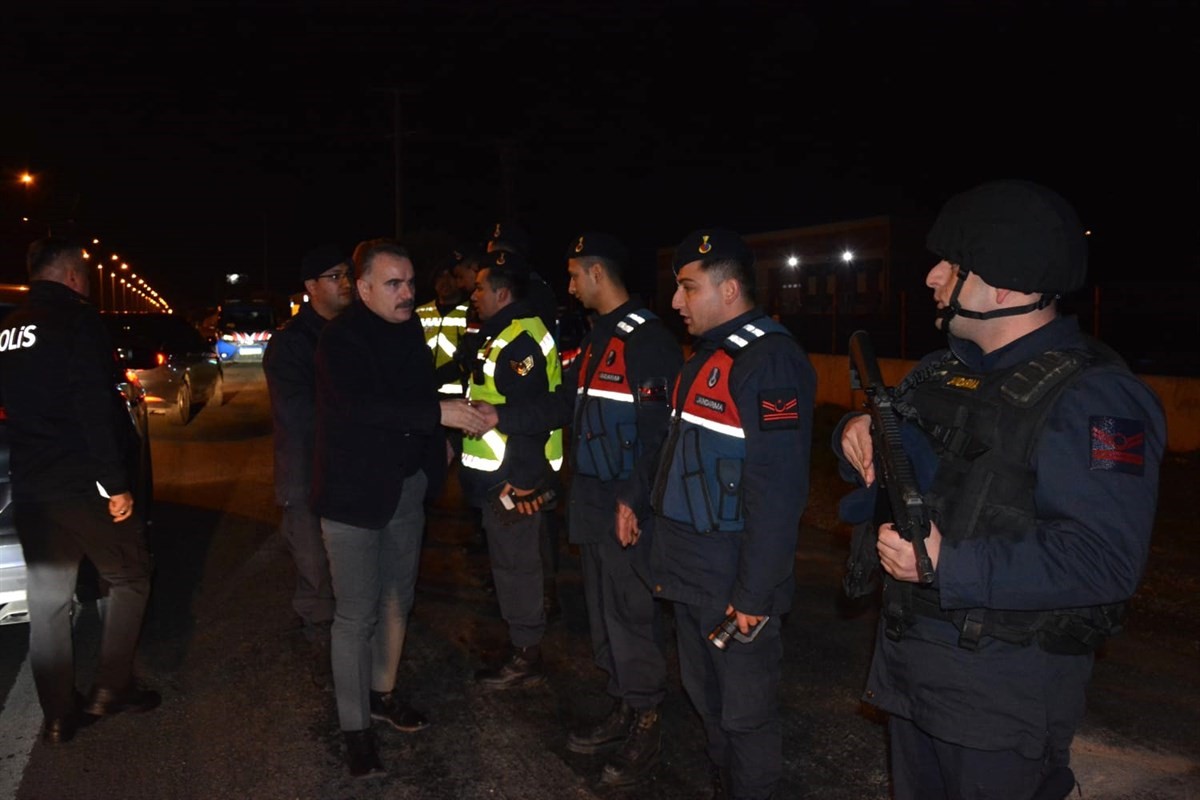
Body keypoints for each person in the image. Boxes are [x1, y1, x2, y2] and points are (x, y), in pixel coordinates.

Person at [834, 179, 1166, 800]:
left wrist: (948, 565)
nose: (931, 277)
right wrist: (852, 430)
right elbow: (894, 443)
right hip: (912, 670)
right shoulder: (945, 368)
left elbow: (1105, 558)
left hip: (1001, 695)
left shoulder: (1096, 397)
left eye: (952, 266)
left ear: (1008, 285)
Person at [476, 232, 682, 787]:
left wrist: (632, 500)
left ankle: (647, 720)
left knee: (631, 613)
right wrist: (499, 417)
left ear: (596, 273)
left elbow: (659, 434)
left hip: (623, 502)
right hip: (591, 497)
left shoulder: (648, 340)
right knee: (603, 611)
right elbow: (564, 401)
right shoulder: (598, 338)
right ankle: (623, 702)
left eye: (573, 275)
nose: (567, 286)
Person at [619, 229, 815, 800]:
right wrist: (637, 502)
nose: (676, 302)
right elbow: (674, 454)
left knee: (745, 713)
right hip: (689, 570)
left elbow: (778, 494)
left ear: (729, 289)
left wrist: (754, 593)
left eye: (687, 288)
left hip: (732, 578)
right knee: (706, 698)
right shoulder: (709, 357)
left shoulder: (770, 361)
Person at [310, 240, 488, 777]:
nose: (408, 293)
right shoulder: (340, 339)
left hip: (406, 487)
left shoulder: (410, 329)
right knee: (355, 614)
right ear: (361, 288)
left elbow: (421, 391)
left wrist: (443, 441)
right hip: (353, 498)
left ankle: (382, 693)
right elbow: (361, 407)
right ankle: (355, 728)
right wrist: (439, 413)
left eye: (410, 281)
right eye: (394, 283)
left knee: (397, 600)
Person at [0, 236, 160, 744]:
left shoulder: (6, 328)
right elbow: (95, 405)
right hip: (81, 483)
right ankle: (112, 688)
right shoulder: (76, 319)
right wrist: (116, 483)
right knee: (131, 575)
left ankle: (57, 714)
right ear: (71, 275)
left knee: (48, 599)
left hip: (30, 487)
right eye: (85, 275)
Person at [461, 249, 563, 689]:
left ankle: (526, 655)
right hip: (503, 473)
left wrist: (520, 483)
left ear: (502, 293)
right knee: (514, 564)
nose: (474, 293)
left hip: (513, 476)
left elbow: (532, 414)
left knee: (516, 566)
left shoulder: (520, 338)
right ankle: (525, 642)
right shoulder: (501, 331)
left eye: (481, 286)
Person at [262, 244, 353, 688]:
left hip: (348, 468)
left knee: (344, 565)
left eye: (347, 275)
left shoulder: (357, 331)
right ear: (311, 287)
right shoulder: (293, 343)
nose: (345, 283)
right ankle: (321, 659)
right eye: (334, 276)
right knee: (314, 562)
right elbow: (299, 414)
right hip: (307, 471)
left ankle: (336, 640)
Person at [486, 222, 564, 619]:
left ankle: (540, 604)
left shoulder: (532, 297)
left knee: (532, 536)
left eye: (498, 251)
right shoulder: (527, 295)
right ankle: (535, 602)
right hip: (517, 450)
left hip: (529, 454)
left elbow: (534, 397)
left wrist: (525, 469)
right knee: (525, 541)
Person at [416, 255, 470, 398]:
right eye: (440, 276)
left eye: (450, 276)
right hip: (425, 392)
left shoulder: (472, 312)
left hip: (460, 394)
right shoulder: (420, 313)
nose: (445, 282)